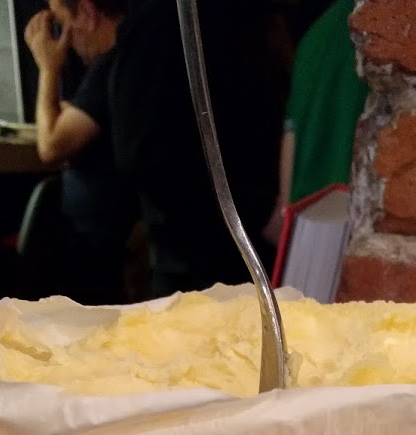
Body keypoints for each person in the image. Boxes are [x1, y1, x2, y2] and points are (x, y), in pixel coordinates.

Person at [106, 0, 288, 296]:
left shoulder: (245, 16)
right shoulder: (163, 21)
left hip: (250, 246)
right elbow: (142, 153)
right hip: (200, 260)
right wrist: (258, 210)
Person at [24, 0, 138, 303]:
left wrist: (48, 68)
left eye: (63, 24)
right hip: (111, 239)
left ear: (87, 14)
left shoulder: (112, 66)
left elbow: (50, 145)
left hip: (101, 250)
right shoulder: (131, 62)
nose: (66, 42)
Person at [280, 0, 369, 207]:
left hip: (309, 209)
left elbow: (291, 131)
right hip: (364, 206)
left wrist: (285, 209)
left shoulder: (316, 36)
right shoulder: (385, 34)